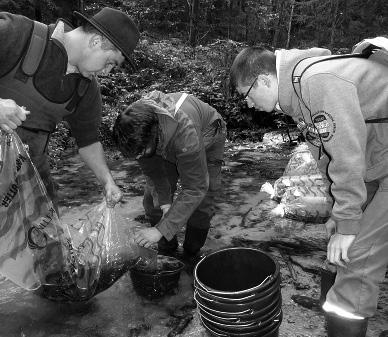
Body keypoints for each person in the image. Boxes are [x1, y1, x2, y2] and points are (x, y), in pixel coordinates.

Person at [0, 7, 139, 323]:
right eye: (111, 63)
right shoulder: (17, 34)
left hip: (30, 164)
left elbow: (88, 140)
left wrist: (107, 180)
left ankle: (63, 305)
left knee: (49, 236)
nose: (108, 72)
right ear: (96, 42)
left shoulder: (85, 89)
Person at [229, 46, 388, 337]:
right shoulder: (299, 94)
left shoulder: (318, 81)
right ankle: (332, 308)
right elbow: (327, 157)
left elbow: (347, 157)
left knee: (358, 258)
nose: (248, 104)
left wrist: (348, 223)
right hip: (378, 158)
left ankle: (344, 312)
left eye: (246, 94)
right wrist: (339, 214)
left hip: (380, 163)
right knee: (340, 240)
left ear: (264, 80)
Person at [112, 90, 226, 263]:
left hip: (207, 132)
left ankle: (190, 253)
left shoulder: (186, 136)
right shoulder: (134, 123)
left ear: (152, 138)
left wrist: (159, 230)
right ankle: (168, 250)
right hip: (164, 138)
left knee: (202, 203)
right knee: (153, 202)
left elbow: (195, 188)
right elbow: (154, 171)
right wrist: (165, 205)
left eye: (140, 153)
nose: (138, 159)